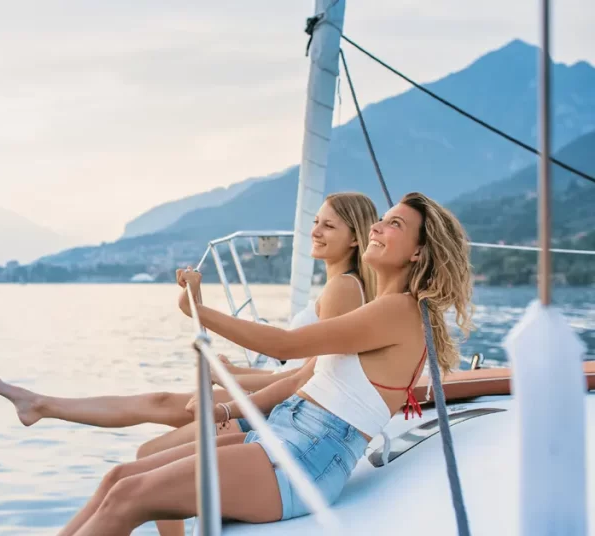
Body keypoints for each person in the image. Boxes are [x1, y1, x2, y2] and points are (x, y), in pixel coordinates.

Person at [58, 192, 474, 536]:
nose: (376, 227)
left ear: (420, 251)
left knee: (131, 497)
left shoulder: (399, 311)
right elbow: (302, 379)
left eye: (394, 225)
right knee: (120, 480)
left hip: (306, 457)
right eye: (380, 219)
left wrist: (199, 310)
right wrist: (227, 408)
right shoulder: (382, 309)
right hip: (284, 435)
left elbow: (286, 345)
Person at [0, 192, 379, 431]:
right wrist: (236, 373)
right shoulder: (336, 286)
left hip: (290, 405)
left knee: (157, 410)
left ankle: (42, 406)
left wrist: (234, 377)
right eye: (316, 222)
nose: (315, 231)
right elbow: (308, 366)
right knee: (157, 405)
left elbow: (309, 373)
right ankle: (42, 405)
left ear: (355, 237)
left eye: (328, 226)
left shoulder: (343, 289)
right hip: (283, 389)